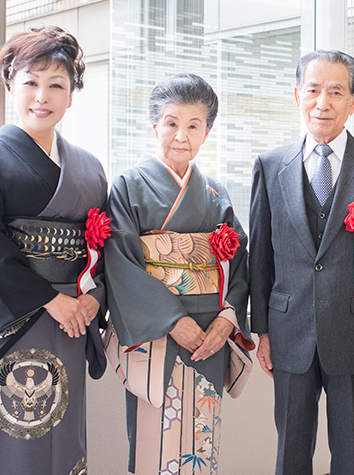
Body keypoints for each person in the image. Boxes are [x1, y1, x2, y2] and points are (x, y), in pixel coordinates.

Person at [0, 25, 108, 475]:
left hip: (74, 317)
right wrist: (51, 300)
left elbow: (103, 245)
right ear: (10, 85)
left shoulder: (90, 168)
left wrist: (95, 298)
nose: (42, 95)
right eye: (31, 82)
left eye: (57, 84)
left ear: (71, 95)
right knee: (17, 432)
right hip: (17, 319)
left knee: (64, 433)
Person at [249, 50, 354, 475]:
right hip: (289, 334)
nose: (323, 102)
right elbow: (260, 258)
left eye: (336, 91)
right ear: (297, 95)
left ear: (353, 101)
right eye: (314, 90)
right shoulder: (269, 166)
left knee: (350, 454)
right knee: (291, 453)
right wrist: (262, 329)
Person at [104, 73, 253, 475]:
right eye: (171, 123)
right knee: (156, 440)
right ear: (155, 126)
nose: (181, 136)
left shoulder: (216, 194)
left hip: (209, 335)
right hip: (157, 334)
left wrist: (228, 316)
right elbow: (120, 262)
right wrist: (172, 320)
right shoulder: (128, 187)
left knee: (201, 441)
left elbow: (240, 262)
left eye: (193, 126)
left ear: (207, 132)